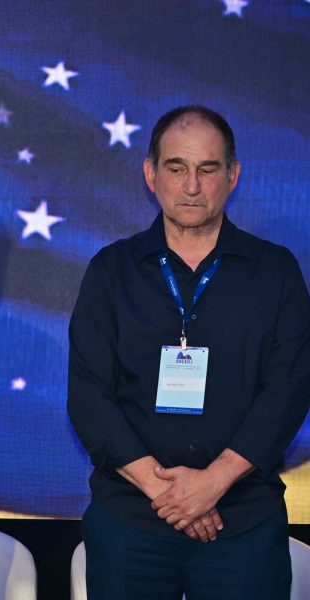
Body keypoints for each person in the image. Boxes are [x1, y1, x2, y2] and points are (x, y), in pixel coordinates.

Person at [68, 106, 310, 599]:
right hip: (132, 521)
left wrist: (212, 484)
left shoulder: (275, 271)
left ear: (233, 175)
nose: (192, 186)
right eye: (177, 168)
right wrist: (170, 494)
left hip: (242, 523)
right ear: (151, 174)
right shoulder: (111, 270)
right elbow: (89, 397)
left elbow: (288, 392)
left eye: (208, 169)